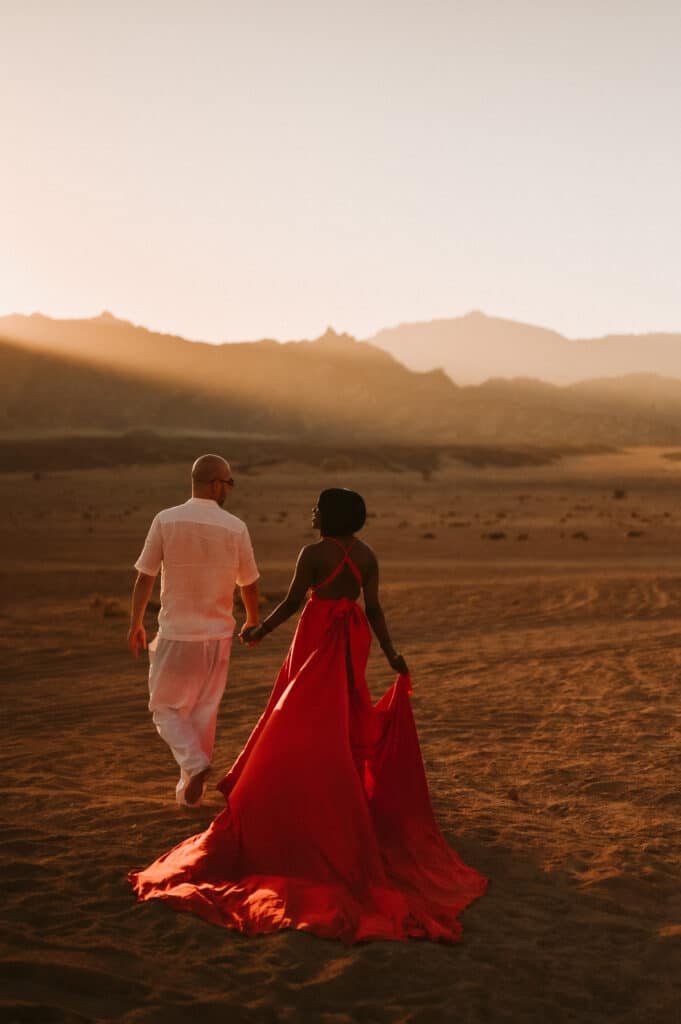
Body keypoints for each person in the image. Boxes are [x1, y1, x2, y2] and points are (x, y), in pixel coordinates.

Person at [129, 488, 486, 943]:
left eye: (318, 507)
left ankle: (298, 791)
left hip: (316, 633)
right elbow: (374, 609)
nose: (312, 512)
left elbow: (294, 601)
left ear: (331, 515)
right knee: (342, 709)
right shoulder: (367, 555)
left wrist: (260, 630)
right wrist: (391, 653)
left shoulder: (313, 554)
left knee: (301, 711)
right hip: (352, 635)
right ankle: (340, 787)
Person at [128, 454, 260, 808]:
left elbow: (145, 577)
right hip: (218, 636)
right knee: (203, 714)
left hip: (178, 633)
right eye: (229, 483)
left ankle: (194, 768)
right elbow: (249, 583)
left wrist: (136, 623)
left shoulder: (166, 519)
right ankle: (191, 794)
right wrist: (251, 619)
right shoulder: (235, 527)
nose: (230, 489)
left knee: (165, 708)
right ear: (215, 485)